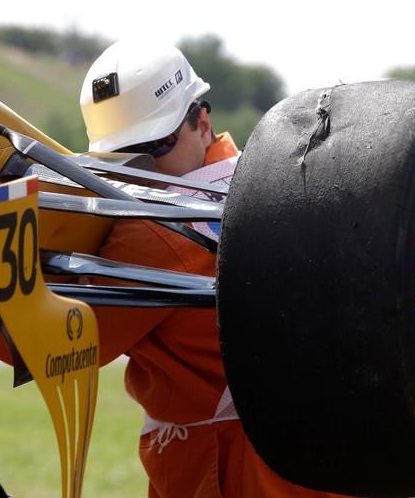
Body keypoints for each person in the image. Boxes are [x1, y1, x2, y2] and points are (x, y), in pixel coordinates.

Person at [79, 40, 347, 497]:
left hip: (234, 469)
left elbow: (63, 336)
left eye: (155, 146)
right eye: (121, 159)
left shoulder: (156, 232)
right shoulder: (274, 179)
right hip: (322, 457)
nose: (140, 171)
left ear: (201, 122)